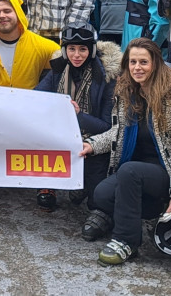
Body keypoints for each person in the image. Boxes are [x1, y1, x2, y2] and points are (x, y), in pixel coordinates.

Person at [81, 38, 171, 266]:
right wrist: (92, 144)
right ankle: (149, 212)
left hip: (166, 169)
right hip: (134, 171)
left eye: (143, 62)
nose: (137, 67)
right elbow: (117, 133)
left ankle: (126, 241)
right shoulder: (128, 90)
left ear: (155, 63)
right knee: (102, 194)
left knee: (129, 171)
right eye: (132, 62)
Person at [35, 26, 120, 219]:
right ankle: (47, 186)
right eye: (71, 49)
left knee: (96, 203)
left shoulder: (107, 77)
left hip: (93, 144)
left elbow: (107, 127)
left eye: (83, 49)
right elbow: (36, 97)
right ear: (65, 50)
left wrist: (78, 114)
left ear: (92, 50)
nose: (77, 55)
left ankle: (81, 184)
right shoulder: (58, 69)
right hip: (60, 137)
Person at [0, 0, 59, 89]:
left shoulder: (40, 45)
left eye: (7, 11)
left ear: (18, 13)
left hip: (30, 102)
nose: (2, 15)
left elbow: (64, 65)